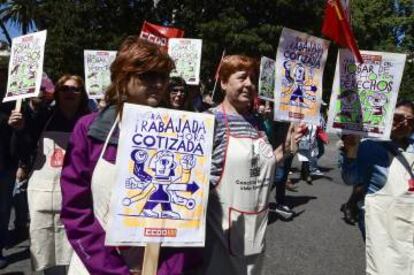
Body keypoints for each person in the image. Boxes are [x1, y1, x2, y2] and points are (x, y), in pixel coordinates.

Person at [60, 37, 201, 274]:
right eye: (147, 76)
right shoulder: (89, 129)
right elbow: (76, 210)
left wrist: (166, 271)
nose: (158, 84)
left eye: (163, 76)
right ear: (123, 78)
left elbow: (190, 218)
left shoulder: (182, 132)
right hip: (96, 265)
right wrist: (113, 270)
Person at [202, 55, 305, 274]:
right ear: (223, 82)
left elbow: (261, 163)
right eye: (241, 78)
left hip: (256, 225)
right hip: (220, 231)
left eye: (252, 79)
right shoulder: (209, 121)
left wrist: (286, 148)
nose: (249, 84)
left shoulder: (255, 122)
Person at [8, 74, 90, 274]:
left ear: (82, 95)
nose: (70, 93)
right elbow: (22, 151)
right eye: (65, 89)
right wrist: (19, 130)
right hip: (45, 193)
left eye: (75, 89)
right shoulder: (43, 117)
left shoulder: (90, 121)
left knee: (77, 247)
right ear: (57, 93)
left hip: (80, 193)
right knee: (48, 243)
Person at [342, 100, 414, 274]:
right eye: (398, 117)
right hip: (381, 221)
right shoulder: (369, 146)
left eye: (410, 120)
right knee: (384, 263)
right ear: (387, 117)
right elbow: (350, 178)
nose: (404, 123)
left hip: (409, 219)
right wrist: (350, 152)